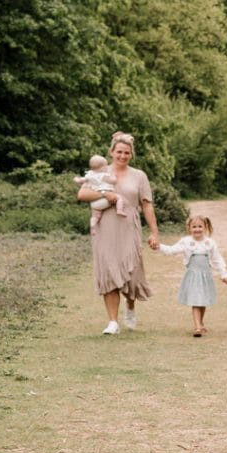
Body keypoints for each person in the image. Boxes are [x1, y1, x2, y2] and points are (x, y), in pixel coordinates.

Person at [77, 131, 160, 335]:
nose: (123, 156)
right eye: (119, 152)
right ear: (111, 152)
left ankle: (130, 307)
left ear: (131, 154)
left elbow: (147, 205)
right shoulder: (100, 172)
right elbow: (82, 193)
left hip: (129, 226)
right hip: (105, 226)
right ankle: (112, 321)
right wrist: (108, 195)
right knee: (109, 270)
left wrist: (154, 232)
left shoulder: (139, 175)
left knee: (131, 273)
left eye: (127, 153)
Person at [154, 215, 227, 337]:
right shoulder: (186, 242)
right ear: (189, 228)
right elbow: (172, 250)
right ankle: (197, 327)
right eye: (194, 227)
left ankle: (201, 323)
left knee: (202, 300)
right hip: (193, 276)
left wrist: (223, 273)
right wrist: (158, 246)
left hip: (205, 276)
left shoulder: (210, 243)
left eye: (200, 226)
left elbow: (217, 259)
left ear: (205, 227)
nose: (197, 229)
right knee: (196, 300)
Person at [74, 154, 126, 235]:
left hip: (94, 204)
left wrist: (77, 179)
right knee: (119, 198)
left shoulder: (90, 175)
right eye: (106, 166)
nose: (107, 167)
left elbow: (82, 180)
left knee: (95, 216)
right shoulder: (104, 175)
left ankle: (93, 226)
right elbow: (113, 181)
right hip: (106, 200)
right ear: (102, 168)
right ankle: (119, 210)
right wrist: (114, 177)